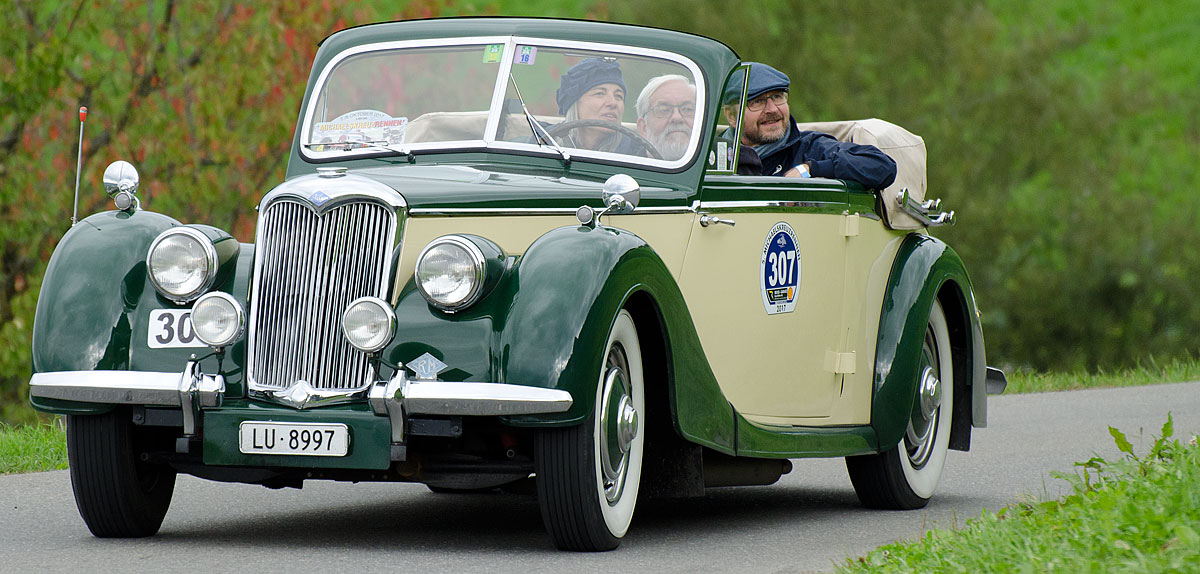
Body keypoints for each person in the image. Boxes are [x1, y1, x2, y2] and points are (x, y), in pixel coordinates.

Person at [723, 62, 897, 189]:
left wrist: (810, 169)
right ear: (731, 116)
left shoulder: (809, 148)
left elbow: (882, 166)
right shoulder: (711, 155)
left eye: (777, 97)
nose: (772, 109)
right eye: (757, 101)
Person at [554, 58, 643, 154]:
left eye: (618, 96)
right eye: (600, 93)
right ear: (574, 103)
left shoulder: (637, 153)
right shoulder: (542, 141)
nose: (613, 103)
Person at [635, 74, 696, 160]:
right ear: (643, 128)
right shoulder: (627, 168)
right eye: (664, 110)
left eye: (687, 109)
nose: (677, 118)